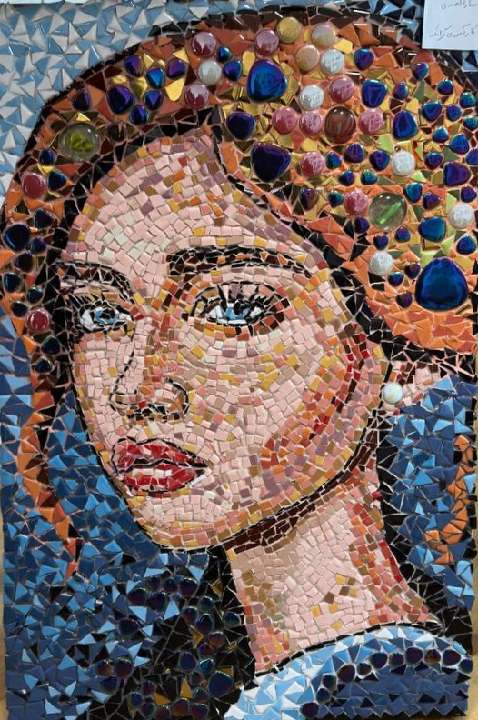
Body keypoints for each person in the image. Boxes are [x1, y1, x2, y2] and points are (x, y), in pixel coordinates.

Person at [1, 7, 476, 720]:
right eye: (100, 313)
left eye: (232, 306)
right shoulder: (189, 690)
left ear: (403, 353)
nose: (137, 388)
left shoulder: (416, 700)